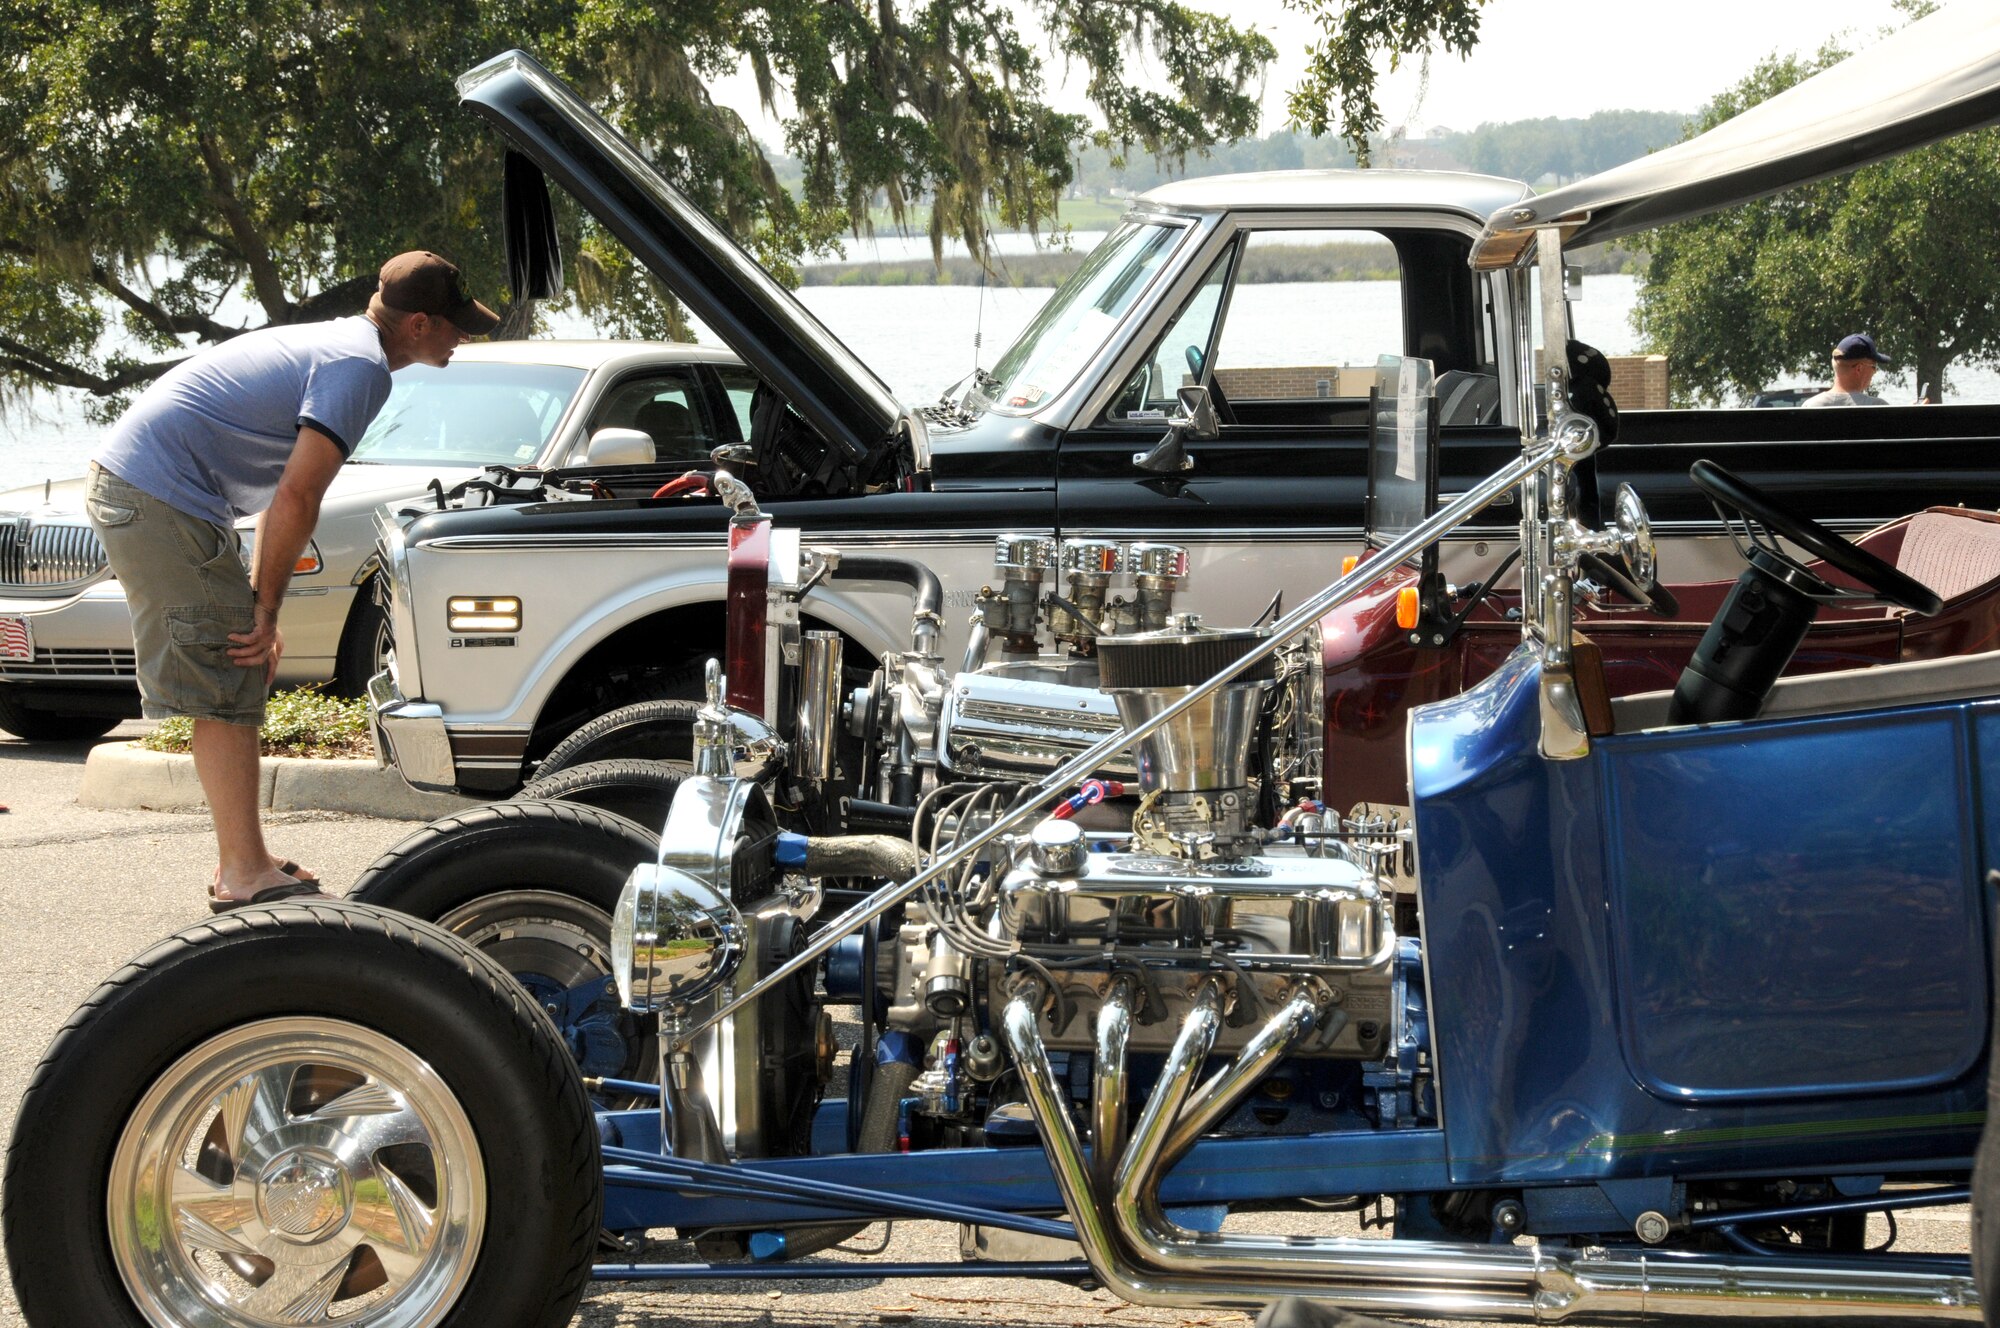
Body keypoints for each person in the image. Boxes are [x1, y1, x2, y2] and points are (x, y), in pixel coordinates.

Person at [85, 252, 499, 910]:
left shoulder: (346, 346)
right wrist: (266, 610)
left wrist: (260, 603)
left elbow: (286, 495)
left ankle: (244, 860)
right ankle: (243, 871)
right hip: (156, 491)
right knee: (231, 659)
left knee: (236, 658)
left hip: (165, 490)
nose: (464, 335)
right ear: (419, 323)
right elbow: (298, 497)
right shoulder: (359, 367)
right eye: (456, 324)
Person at [1800, 333, 1891, 407]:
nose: (1875, 371)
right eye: (1874, 366)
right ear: (1859, 368)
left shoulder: (1811, 406)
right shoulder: (1878, 407)